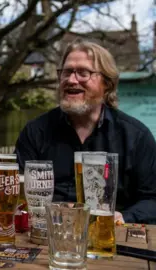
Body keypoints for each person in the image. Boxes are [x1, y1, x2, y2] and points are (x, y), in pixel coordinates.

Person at [15, 39, 156, 224]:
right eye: (66, 72)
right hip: (47, 236)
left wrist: (123, 217)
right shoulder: (35, 132)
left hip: (109, 238)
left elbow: (152, 200)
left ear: (107, 83)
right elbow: (17, 193)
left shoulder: (136, 136)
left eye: (83, 72)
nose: (71, 80)